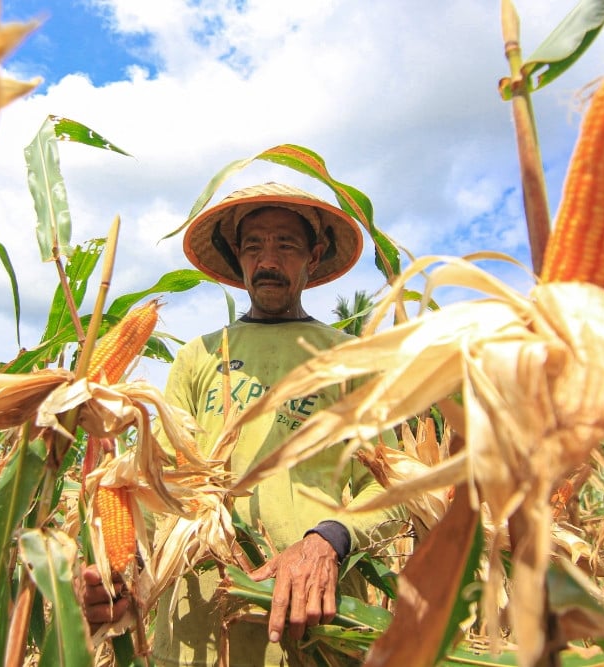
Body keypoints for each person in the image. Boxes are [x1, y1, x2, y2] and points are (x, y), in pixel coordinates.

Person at [82, 182, 404, 665]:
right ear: (238, 257)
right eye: (253, 246)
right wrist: (122, 572)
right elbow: (159, 481)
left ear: (314, 256)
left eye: (286, 245)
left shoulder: (350, 359)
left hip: (314, 631)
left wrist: (327, 540)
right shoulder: (199, 356)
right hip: (194, 633)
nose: (267, 261)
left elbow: (393, 489)